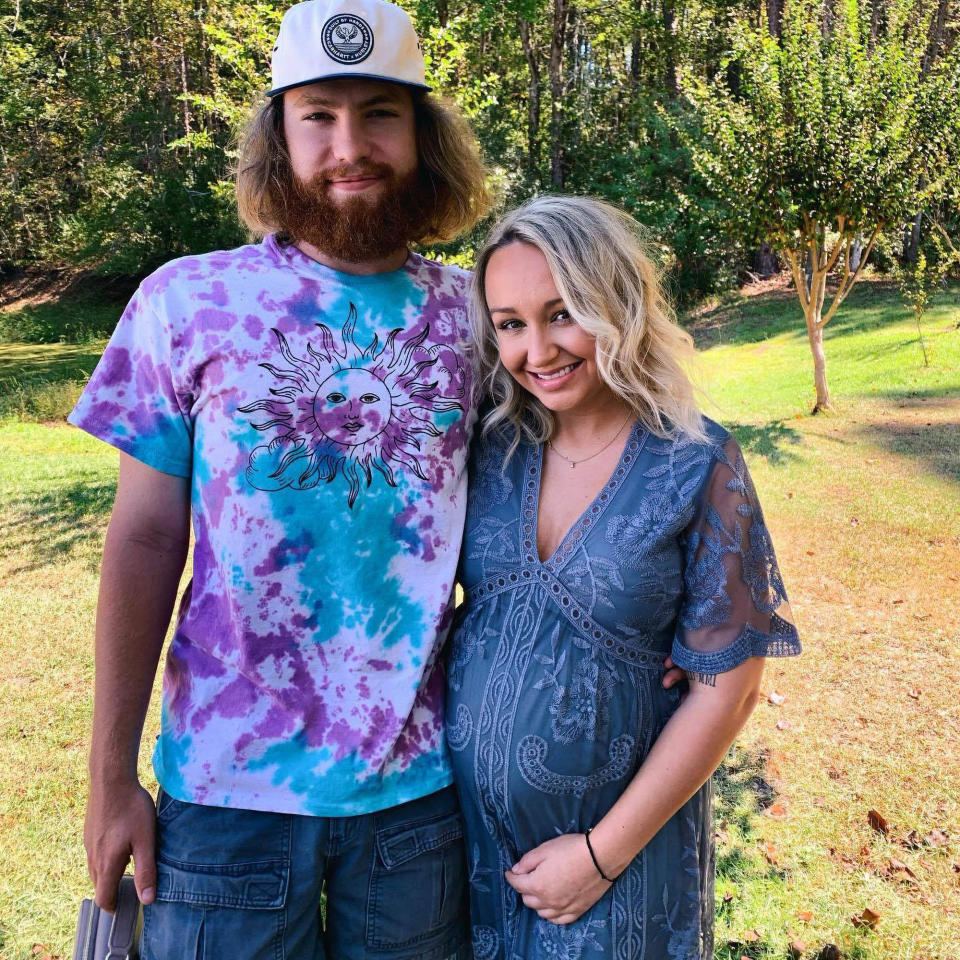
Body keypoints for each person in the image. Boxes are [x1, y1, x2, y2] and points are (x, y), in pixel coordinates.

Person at [69, 0, 489, 956]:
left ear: (424, 136)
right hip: (223, 799)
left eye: (381, 113)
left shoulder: (480, 316)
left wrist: (654, 618)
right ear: (276, 135)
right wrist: (110, 779)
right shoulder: (187, 301)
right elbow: (141, 540)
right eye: (319, 115)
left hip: (418, 800)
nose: (351, 146)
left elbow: (562, 480)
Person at [445, 195, 802, 959]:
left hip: (624, 867)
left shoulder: (696, 462)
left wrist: (601, 856)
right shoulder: (488, 451)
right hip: (470, 858)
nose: (536, 349)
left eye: (563, 312)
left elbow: (728, 690)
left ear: (618, 301)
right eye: (510, 323)